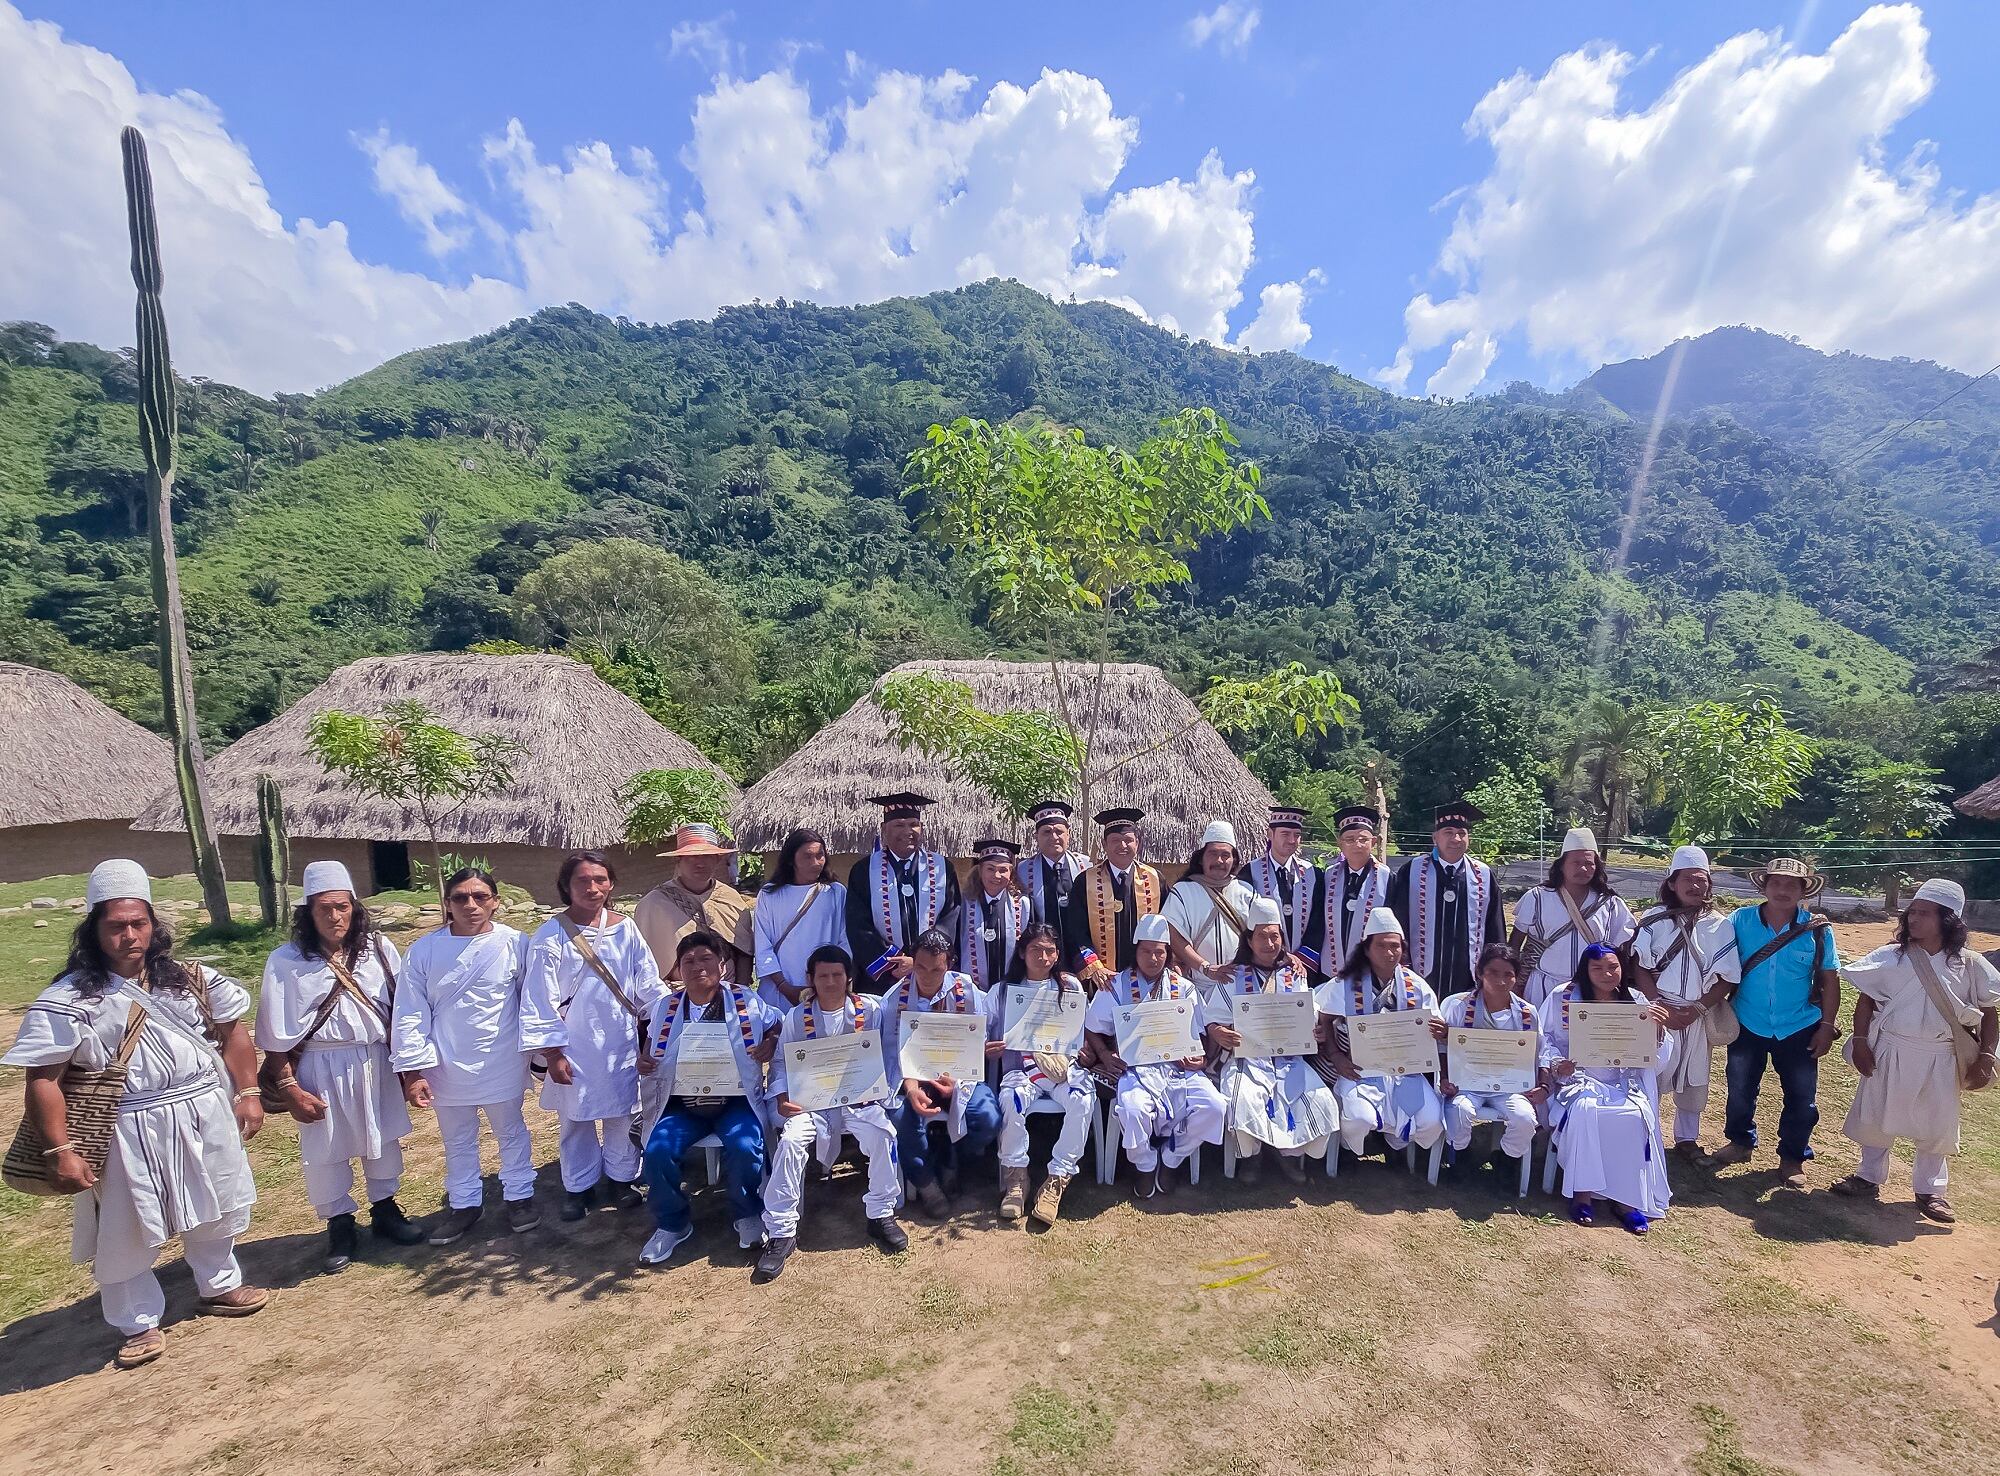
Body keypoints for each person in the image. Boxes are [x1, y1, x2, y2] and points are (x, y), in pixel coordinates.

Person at [4, 860, 266, 1368]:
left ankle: (219, 1285)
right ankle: (137, 1321)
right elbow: (43, 1080)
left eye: (138, 923)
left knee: (215, 1199)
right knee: (124, 1224)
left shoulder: (191, 982)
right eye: (116, 926)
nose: (130, 936)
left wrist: (248, 1092)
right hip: (124, 1125)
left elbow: (234, 1033)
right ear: (94, 931)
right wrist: (60, 1149)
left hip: (200, 1109)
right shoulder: (68, 999)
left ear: (153, 924)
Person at [257, 860, 422, 1273]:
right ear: (308, 913)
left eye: (342, 907)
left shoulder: (379, 949)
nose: (335, 916)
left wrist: (409, 1071)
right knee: (325, 1148)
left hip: (375, 1058)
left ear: (354, 907)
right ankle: (340, 1223)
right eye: (324, 908)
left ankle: (386, 1211)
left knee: (382, 1136)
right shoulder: (286, 962)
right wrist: (290, 1089)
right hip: (319, 1064)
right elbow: (274, 1034)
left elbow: (401, 1009)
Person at [1832, 879, 1999, 1224]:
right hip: (1890, 1050)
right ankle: (1868, 1177)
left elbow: (1989, 1012)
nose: (1914, 919)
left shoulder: (1970, 965)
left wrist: (1986, 1056)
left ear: (1947, 919)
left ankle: (1931, 1191)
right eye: (1913, 912)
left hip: (1941, 1056)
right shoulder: (1891, 957)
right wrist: (1861, 1042)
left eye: (1924, 913)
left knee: (1936, 1125)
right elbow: (1865, 1002)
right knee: (1877, 1115)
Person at [391, 865, 537, 1243]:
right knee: (457, 1139)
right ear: (447, 904)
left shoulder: (516, 943)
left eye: (480, 897)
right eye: (461, 898)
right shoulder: (424, 950)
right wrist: (414, 1070)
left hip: (501, 1058)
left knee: (511, 1131)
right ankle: (465, 1204)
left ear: (495, 902)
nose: (471, 905)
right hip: (445, 1062)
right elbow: (410, 1010)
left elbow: (531, 1001)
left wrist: (538, 1054)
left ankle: (520, 1196)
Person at [519, 851, 666, 1221]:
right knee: (576, 1120)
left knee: (621, 1114)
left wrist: (667, 1018)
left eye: (599, 879)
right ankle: (578, 1186)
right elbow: (539, 997)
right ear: (566, 887)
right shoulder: (549, 937)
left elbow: (647, 982)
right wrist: (553, 1054)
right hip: (573, 1045)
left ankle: (622, 1178)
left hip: (618, 1042)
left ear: (611, 883)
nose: (592, 887)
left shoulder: (625, 928)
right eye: (582, 881)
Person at [756, 945, 907, 1281]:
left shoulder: (870, 1009)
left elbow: (889, 1050)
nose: (830, 982)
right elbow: (780, 1063)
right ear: (811, 978)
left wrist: (879, 1090)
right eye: (823, 975)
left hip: (858, 1100)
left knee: (884, 1134)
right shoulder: (796, 1017)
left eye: (837, 975)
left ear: (849, 978)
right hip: (811, 1104)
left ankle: (881, 1214)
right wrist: (781, 1098)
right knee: (792, 1142)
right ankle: (781, 1231)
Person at [638, 930, 782, 1264]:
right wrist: (644, 1057)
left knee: (746, 1145)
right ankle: (672, 1224)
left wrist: (770, 1043)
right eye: (688, 961)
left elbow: (777, 1025)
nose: (697, 966)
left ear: (723, 964)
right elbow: (648, 1038)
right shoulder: (666, 1007)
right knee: (658, 1150)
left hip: (734, 1102)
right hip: (684, 1105)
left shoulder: (746, 1000)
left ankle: (747, 1213)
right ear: (678, 970)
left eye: (705, 958)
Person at [1715, 857, 1841, 1188]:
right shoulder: (1739, 920)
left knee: (1802, 1097)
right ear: (1764, 886)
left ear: (1803, 891)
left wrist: (1827, 1027)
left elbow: (1830, 980)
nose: (1783, 890)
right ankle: (1740, 1142)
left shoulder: (1818, 930)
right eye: (1776, 883)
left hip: (1799, 1025)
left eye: (1791, 884)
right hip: (1747, 1021)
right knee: (1740, 1088)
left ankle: (1792, 1157)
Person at [1083, 912, 1225, 1198]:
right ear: (1135, 952)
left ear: (1168, 953)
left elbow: (1199, 1034)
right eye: (1146, 951)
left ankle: (1172, 1158)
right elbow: (1091, 1027)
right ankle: (1145, 1165)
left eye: (1159, 952)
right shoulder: (1117, 984)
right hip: (1135, 1070)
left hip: (1177, 1069)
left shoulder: (1184, 987)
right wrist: (1104, 1055)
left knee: (1215, 1107)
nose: (1153, 958)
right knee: (1133, 1110)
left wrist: (1200, 1059)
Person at [1203, 895, 1339, 1183]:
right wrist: (1216, 1030)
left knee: (1319, 1100)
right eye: (1262, 937)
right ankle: (1251, 1159)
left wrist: (1315, 1030)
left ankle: (1288, 1155)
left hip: (1289, 1059)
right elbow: (1210, 1016)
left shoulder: (1295, 974)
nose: (1269, 943)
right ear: (1249, 941)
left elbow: (1309, 1013)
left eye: (1275, 936)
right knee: (1243, 1100)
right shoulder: (1233, 975)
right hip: (1246, 1060)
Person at [1539, 944, 1674, 1233]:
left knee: (1635, 1116)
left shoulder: (1637, 1002)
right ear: (1585, 971)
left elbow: (1653, 1059)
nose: (1606, 974)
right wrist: (1557, 1064)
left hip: (1623, 1081)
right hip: (1578, 1081)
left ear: (1623, 968)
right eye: (1597, 968)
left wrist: (1659, 1032)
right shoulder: (1563, 996)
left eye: (1613, 967)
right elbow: (1544, 1039)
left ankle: (1626, 1201)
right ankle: (1582, 1194)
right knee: (1586, 1110)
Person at [881, 930, 1003, 1218]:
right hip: (910, 1079)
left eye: (936, 969)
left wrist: (960, 1078)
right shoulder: (893, 998)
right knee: (900, 1120)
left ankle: (953, 1159)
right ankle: (926, 1183)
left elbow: (978, 1035)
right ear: (913, 962)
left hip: (957, 1077)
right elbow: (890, 1053)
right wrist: (911, 1088)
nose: (927, 975)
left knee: (987, 1118)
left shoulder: (967, 989)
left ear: (949, 964)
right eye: (920, 967)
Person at [1631, 846, 1741, 1162]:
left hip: (1696, 1013)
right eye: (1688, 880)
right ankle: (1643, 1128)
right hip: (1657, 1012)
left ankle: (1687, 1139)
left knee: (1694, 1077)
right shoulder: (1653, 918)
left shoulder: (1720, 925)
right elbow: (1639, 965)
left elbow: (1728, 977)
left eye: (1702, 880)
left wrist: (1696, 1009)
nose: (1695, 886)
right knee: (1649, 1073)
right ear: (1672, 883)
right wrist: (1658, 1004)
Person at [1313, 907, 1447, 1161]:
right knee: (1359, 1119)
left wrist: (1441, 1031)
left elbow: (1433, 1021)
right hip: (1359, 1070)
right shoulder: (1345, 983)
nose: (1389, 953)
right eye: (1382, 946)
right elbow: (1325, 1019)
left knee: (1431, 1122)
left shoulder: (1415, 984)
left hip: (1404, 1071)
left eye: (1395, 946)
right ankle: (1348, 1149)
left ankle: (1395, 1145)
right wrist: (1336, 1056)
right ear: (1366, 949)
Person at [992, 923, 1095, 1225]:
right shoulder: (1003, 991)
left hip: (1063, 1068)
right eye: (1035, 949)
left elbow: (1081, 1028)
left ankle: (1057, 1178)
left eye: (1050, 950)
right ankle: (1016, 1178)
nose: (1043, 956)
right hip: (1020, 1070)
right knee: (1011, 1100)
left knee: (1083, 1098)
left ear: (1057, 955)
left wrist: (1085, 1048)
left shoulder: (1070, 986)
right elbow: (981, 1031)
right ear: (1022, 952)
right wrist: (989, 1047)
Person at [1437, 943, 1544, 1170]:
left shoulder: (1527, 1013)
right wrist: (1445, 1078)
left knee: (1524, 1118)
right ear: (1480, 973)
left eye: (1508, 975)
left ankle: (1505, 1163)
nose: (1501, 981)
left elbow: (1537, 1052)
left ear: (1516, 977)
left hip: (1509, 1086)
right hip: (1467, 1084)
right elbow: (1444, 1048)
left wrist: (1541, 1084)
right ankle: (1461, 1158)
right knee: (1459, 1110)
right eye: (1493, 973)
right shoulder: (1460, 1006)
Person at [1387, 800, 1504, 1002]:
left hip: (1468, 973)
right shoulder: (1412, 871)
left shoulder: (1483, 875)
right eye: (1448, 832)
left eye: (1462, 833)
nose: (1456, 838)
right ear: (1435, 838)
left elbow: (1495, 926)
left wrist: (1496, 967)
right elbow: (1398, 919)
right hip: (1419, 971)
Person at [844, 792, 961, 992]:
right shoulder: (864, 870)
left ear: (921, 829)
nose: (908, 831)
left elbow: (950, 918)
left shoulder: (942, 868)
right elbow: (858, 925)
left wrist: (919, 961)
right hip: (883, 977)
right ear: (884, 830)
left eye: (913, 824)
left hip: (931, 974)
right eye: (899, 825)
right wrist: (893, 963)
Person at [1509, 828, 1637, 1006]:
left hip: (1593, 990)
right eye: (1576, 862)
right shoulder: (1537, 897)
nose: (1583, 868)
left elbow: (1621, 949)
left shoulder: (1610, 903)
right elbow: (1515, 943)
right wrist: (1514, 981)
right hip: (1544, 987)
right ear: (1561, 865)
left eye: (1589, 863)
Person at [635, 824, 754, 985]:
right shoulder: (654, 904)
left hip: (729, 991)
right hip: (676, 995)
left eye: (707, 856)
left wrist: (740, 991)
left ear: (718, 859)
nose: (700, 863)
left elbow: (744, 951)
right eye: (692, 856)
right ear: (678, 859)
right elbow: (644, 963)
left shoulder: (731, 898)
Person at [751, 828, 849, 1012]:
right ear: (790, 859)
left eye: (820, 855)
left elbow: (844, 941)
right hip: (778, 990)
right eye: (807, 856)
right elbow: (763, 945)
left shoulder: (835, 892)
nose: (816, 862)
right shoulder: (769, 895)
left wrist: (831, 981)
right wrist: (784, 987)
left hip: (825, 988)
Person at [1067, 807, 1164, 986]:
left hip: (1147, 976)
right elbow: (1075, 932)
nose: (1122, 846)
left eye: (1128, 840)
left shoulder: (1155, 880)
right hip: (1102, 979)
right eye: (1115, 840)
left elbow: (1168, 929)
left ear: (1138, 843)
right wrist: (1094, 966)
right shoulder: (1085, 881)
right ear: (1104, 844)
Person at [1163, 819, 1259, 989]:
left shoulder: (1247, 892)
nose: (1219, 861)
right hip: (1198, 985)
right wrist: (1205, 967)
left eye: (1225, 855)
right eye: (1213, 854)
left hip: (1241, 985)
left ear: (1234, 860)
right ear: (1201, 858)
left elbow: (1261, 932)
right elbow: (1173, 935)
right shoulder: (1183, 891)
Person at [1300, 805, 1391, 981]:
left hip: (1372, 973)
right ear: (1340, 843)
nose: (1357, 845)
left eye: (1363, 839)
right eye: (1349, 839)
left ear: (1373, 842)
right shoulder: (1327, 877)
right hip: (1329, 971)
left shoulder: (1388, 879)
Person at [947, 838, 1032, 989]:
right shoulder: (964, 904)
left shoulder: (1023, 905)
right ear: (980, 871)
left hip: (1014, 987)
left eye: (1003, 870)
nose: (996, 876)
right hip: (970, 988)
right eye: (990, 869)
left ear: (1011, 873)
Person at [1241, 805, 1320, 961]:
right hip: (1264, 960)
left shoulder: (1312, 873)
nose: (1291, 840)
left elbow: (1318, 922)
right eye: (1285, 834)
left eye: (1296, 835)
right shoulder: (1250, 872)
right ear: (1270, 834)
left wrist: (1302, 959)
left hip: (1303, 964)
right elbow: (1245, 920)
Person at [1018, 800, 1087, 933]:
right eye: (1047, 832)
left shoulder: (1085, 865)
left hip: (1082, 947)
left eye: (1059, 831)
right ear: (1036, 836)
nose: (1053, 837)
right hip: (1043, 948)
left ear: (1068, 835)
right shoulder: (1023, 870)